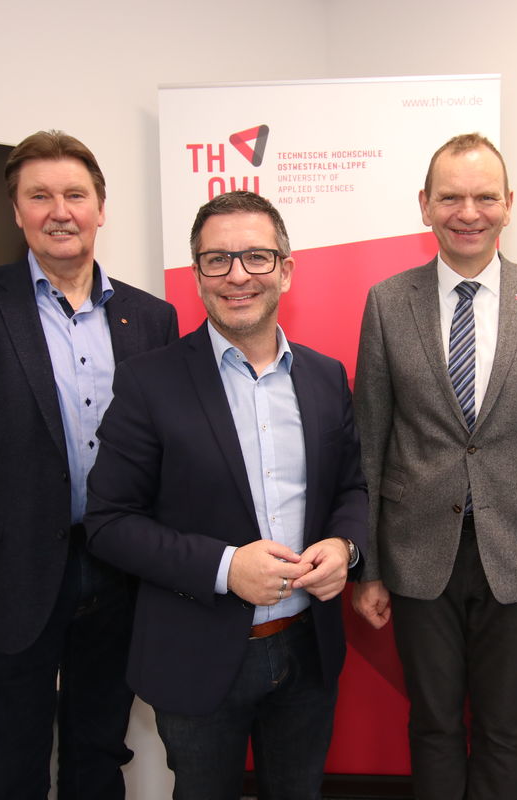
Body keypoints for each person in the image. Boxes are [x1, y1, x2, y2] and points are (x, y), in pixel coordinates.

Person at [0, 130, 179, 799]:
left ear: (100, 207)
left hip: (120, 574)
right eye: (40, 196)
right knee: (11, 772)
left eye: (75, 195)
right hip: (11, 584)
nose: (60, 211)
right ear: (16, 210)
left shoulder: (151, 319)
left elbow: (170, 463)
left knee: (98, 759)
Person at [83, 190, 368, 799]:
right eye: (218, 260)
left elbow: (353, 487)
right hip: (196, 654)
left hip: (308, 648)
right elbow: (109, 522)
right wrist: (225, 567)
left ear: (286, 270)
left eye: (257, 257)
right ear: (198, 276)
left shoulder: (325, 376)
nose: (238, 275)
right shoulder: (148, 382)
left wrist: (346, 547)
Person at [351, 133, 517, 800]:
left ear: (509, 204)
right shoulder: (387, 302)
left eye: (485, 197)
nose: (468, 213)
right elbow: (369, 442)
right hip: (416, 553)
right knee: (432, 722)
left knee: (502, 725)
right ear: (424, 205)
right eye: (451, 197)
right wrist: (369, 568)